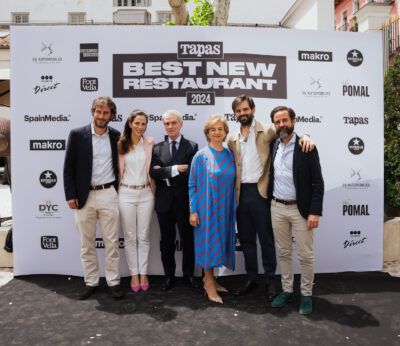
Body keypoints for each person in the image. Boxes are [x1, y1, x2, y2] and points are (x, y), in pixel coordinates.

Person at [227, 94, 314, 300]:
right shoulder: (232, 138)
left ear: (253, 110)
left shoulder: (267, 130)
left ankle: (269, 281)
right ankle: (251, 278)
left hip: (261, 193)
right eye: (238, 111)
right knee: (247, 240)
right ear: (235, 114)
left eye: (245, 109)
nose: (242, 114)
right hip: (240, 195)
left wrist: (307, 135)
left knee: (266, 240)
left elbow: (289, 133)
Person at [63, 96, 123, 300]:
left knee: (112, 242)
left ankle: (113, 282)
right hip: (83, 196)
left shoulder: (117, 136)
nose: (101, 116)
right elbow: (68, 166)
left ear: (112, 115)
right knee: (86, 243)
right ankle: (91, 281)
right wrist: (70, 194)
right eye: (98, 111)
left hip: (108, 193)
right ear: (93, 112)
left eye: (106, 112)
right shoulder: (77, 134)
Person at [268, 106, 324, 314]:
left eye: (285, 120)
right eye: (277, 121)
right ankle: (287, 290)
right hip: (276, 207)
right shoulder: (274, 145)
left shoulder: (306, 147)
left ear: (293, 121)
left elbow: (318, 182)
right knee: (283, 252)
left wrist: (314, 211)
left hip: (301, 209)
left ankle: (307, 294)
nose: (281, 125)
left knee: (305, 255)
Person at [189, 114, 236, 304]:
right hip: (206, 209)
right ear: (207, 133)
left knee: (220, 243)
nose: (217, 133)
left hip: (226, 209)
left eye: (220, 129)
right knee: (207, 244)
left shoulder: (230, 155)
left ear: (225, 133)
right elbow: (192, 184)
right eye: (213, 129)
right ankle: (208, 282)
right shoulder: (200, 156)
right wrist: (193, 210)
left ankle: (212, 279)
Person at [150, 110, 199, 291]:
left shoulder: (192, 146)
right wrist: (177, 168)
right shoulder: (157, 148)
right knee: (166, 241)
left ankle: (189, 275)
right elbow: (154, 173)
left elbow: (192, 175)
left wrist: (166, 173)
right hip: (164, 203)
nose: (170, 127)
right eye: (167, 124)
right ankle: (169, 275)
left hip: (185, 202)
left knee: (188, 240)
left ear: (181, 124)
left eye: (173, 123)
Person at [118, 110, 155, 292]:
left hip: (146, 193)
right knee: (130, 237)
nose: (141, 127)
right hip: (125, 193)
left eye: (144, 124)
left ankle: (144, 273)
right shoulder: (120, 144)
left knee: (144, 236)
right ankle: (134, 274)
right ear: (130, 123)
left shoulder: (150, 143)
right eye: (137, 123)